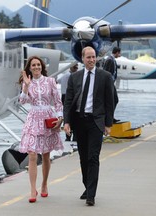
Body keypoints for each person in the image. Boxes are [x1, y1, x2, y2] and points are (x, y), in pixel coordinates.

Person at [63, 46, 114, 206]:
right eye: (88, 57)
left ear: (96, 58)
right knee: (83, 158)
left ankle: (91, 194)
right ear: (82, 59)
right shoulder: (75, 77)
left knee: (93, 157)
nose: (91, 60)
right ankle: (87, 186)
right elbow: (68, 101)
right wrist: (67, 121)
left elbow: (111, 101)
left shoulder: (105, 76)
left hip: (96, 122)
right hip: (79, 121)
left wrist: (108, 123)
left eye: (93, 57)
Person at [18, 56, 64, 203]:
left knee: (45, 154)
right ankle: (33, 189)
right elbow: (22, 101)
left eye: (38, 64)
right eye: (33, 65)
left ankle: (44, 184)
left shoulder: (50, 81)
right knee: (32, 154)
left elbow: (57, 102)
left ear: (42, 66)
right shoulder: (27, 82)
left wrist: (60, 118)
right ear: (30, 68)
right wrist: (25, 86)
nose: (36, 67)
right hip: (33, 118)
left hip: (47, 119)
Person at [57, 63, 78, 141]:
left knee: (67, 113)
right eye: (75, 68)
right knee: (73, 114)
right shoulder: (72, 76)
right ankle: (73, 135)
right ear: (71, 68)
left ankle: (68, 136)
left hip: (63, 96)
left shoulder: (64, 75)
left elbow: (57, 81)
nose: (76, 69)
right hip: (70, 96)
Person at [103, 47, 121, 123]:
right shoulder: (110, 60)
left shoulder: (111, 59)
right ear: (116, 52)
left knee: (113, 100)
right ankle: (109, 117)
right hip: (109, 83)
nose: (120, 55)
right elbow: (106, 72)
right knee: (114, 100)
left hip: (111, 82)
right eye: (119, 53)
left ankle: (110, 116)